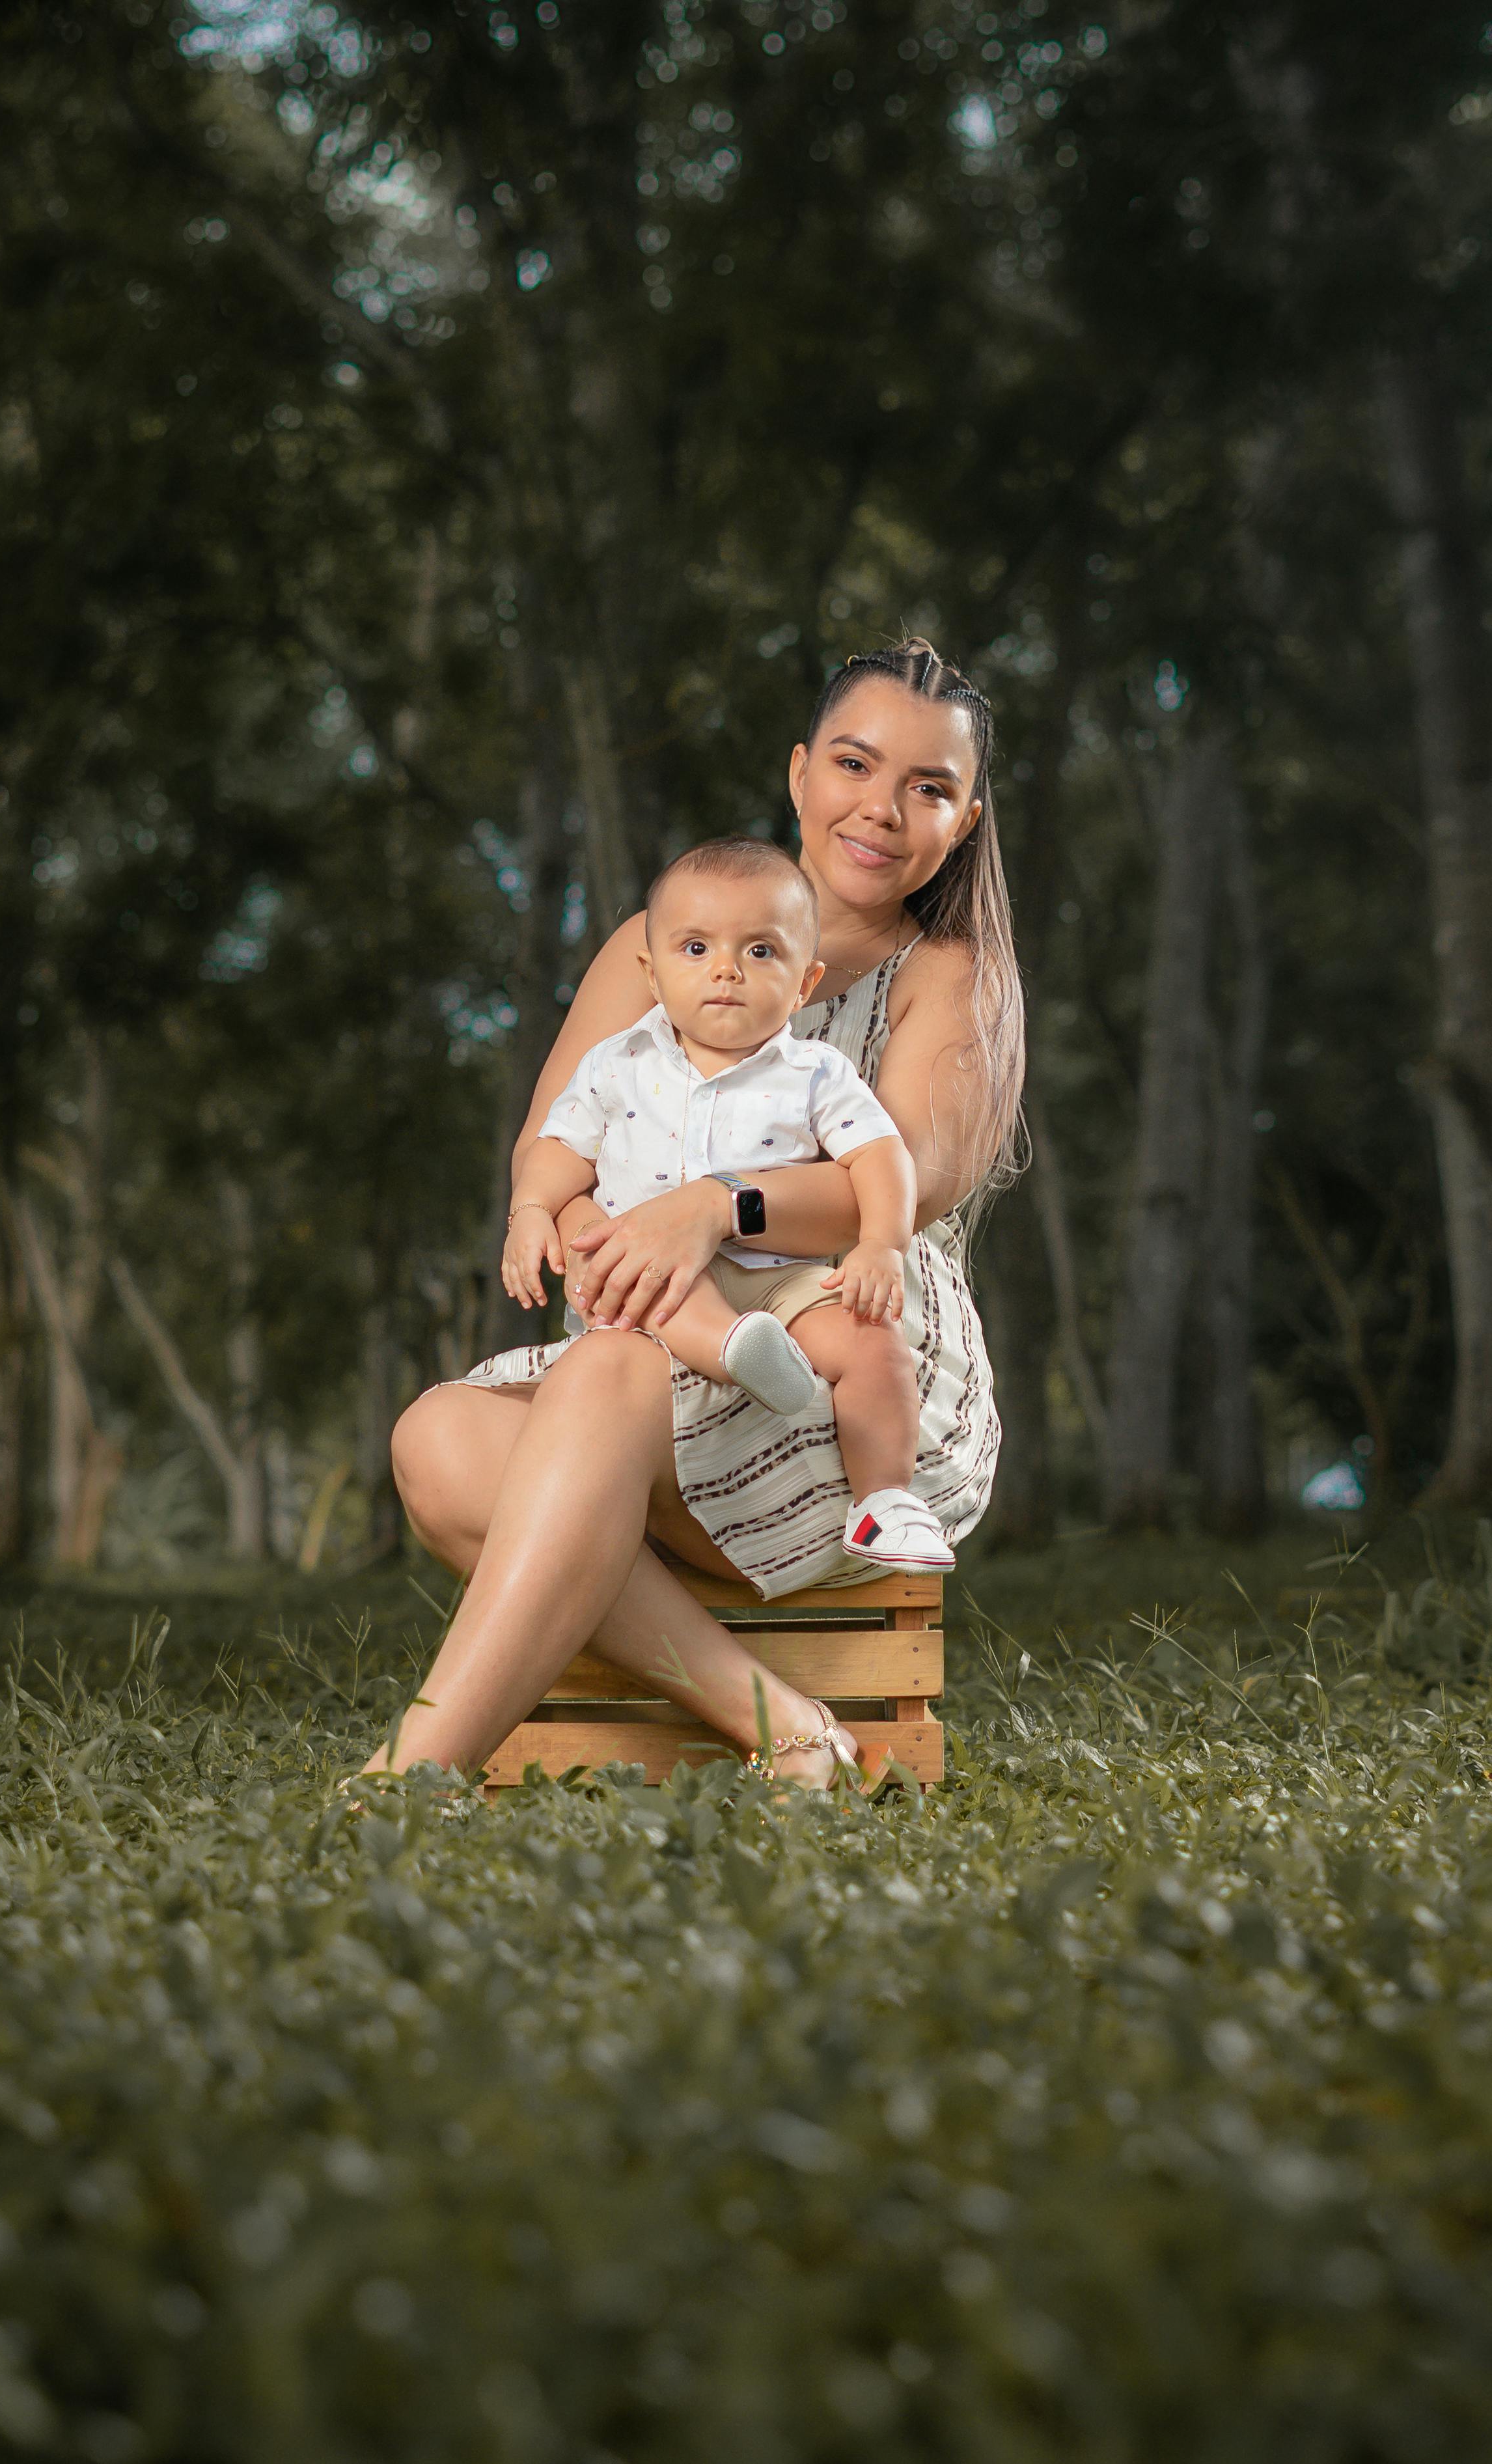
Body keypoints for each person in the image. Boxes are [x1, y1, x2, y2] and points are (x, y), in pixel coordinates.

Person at [358, 639, 1022, 1793]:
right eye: (856, 767)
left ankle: (413, 1770)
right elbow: (554, 1149)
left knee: (604, 1376)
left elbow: (900, 1185)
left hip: (850, 1347)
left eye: (929, 789)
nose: (882, 810)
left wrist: (709, 1208)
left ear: (963, 821)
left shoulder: (947, 977)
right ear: (799, 773)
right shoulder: (663, 938)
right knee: (438, 1440)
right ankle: (786, 1728)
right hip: (656, 1327)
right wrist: (580, 1235)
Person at [501, 835, 958, 1570]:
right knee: (635, 1270)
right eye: (695, 948)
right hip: (660, 1284)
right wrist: (529, 1211)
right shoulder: (619, 1064)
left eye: (760, 952)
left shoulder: (815, 1072)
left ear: (804, 981)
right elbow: (561, 1149)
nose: (725, 969)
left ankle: (883, 1504)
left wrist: (881, 1243)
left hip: (780, 1275)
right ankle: (731, 1349)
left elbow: (881, 1156)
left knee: (876, 1345)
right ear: (650, 973)